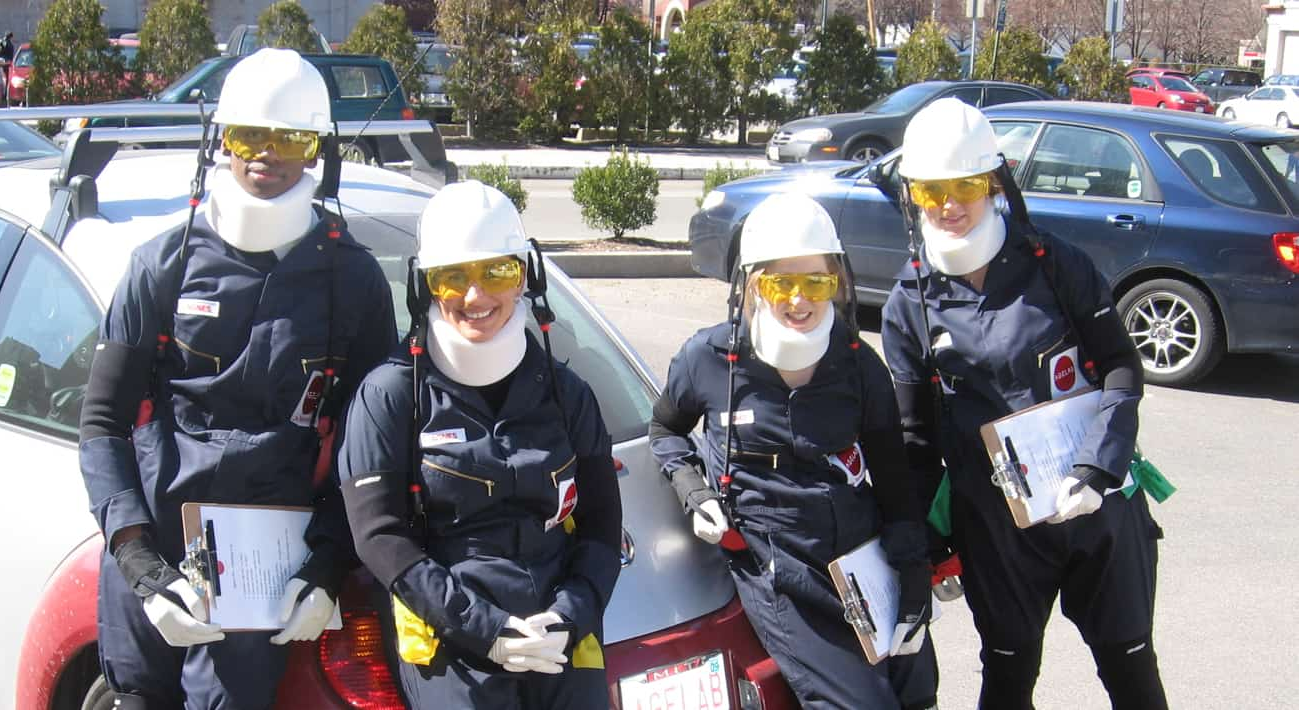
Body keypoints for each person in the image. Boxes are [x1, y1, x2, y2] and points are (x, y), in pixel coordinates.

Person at [77, 48, 397, 708]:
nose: (266, 154)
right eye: (248, 134)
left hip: (262, 567)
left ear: (318, 150)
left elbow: (373, 452)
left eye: (290, 137)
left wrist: (328, 566)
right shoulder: (159, 266)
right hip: (156, 551)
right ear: (220, 140)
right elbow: (103, 422)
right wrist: (136, 556)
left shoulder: (354, 282)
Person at [880, 98, 1167, 709]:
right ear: (913, 195)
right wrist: (924, 546)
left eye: (966, 185)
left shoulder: (1056, 263)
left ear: (994, 181)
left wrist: (1099, 468)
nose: (951, 205)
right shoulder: (911, 303)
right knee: (1007, 678)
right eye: (932, 191)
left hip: (1096, 507)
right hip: (997, 529)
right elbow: (917, 440)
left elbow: (1120, 366)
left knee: (1131, 670)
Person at [338, 181, 622, 709]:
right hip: (452, 638)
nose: (476, 297)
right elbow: (379, 537)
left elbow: (604, 524)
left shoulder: (565, 392)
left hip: (559, 635)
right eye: (453, 277)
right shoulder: (391, 394)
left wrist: (571, 615)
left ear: (526, 277)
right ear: (426, 286)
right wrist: (486, 630)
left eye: (497, 271)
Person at [649, 192, 938, 710]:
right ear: (751, 283)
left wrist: (913, 579)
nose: (799, 301)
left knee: (918, 691)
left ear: (838, 282)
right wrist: (693, 489)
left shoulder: (857, 363)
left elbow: (893, 476)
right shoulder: (709, 359)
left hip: (859, 553)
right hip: (776, 562)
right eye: (780, 282)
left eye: (816, 282)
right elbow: (665, 429)